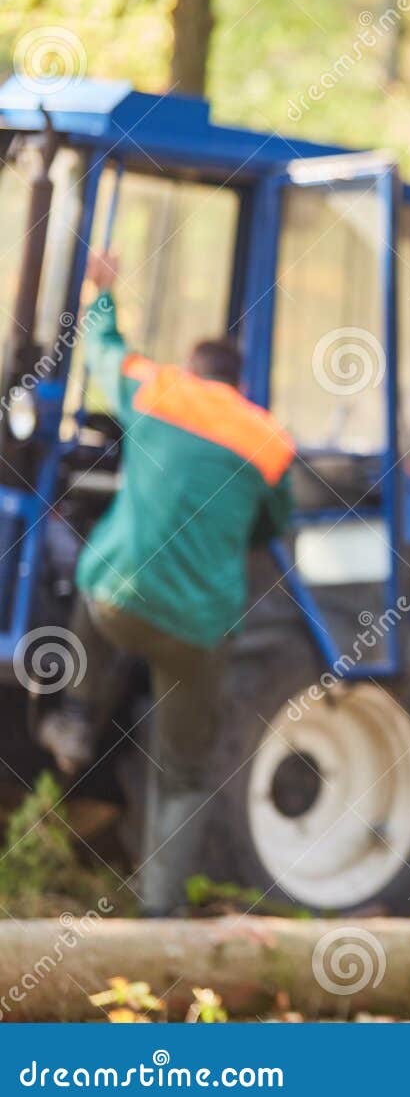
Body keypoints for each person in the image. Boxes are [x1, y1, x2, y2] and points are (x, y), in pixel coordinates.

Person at [35, 249, 295, 917]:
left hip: (118, 600)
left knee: (93, 588)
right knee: (182, 771)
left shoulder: (157, 390)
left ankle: (72, 717)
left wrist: (102, 290)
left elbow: (104, 350)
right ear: (240, 385)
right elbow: (274, 529)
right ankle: (160, 915)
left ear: (193, 368)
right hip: (199, 632)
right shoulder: (269, 441)